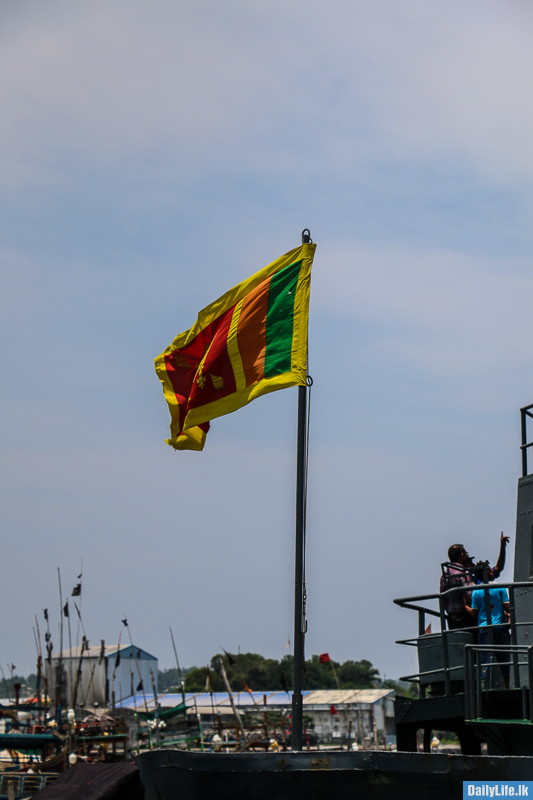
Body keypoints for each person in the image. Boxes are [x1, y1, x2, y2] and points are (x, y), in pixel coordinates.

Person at [440, 534, 510, 629]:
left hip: (452, 618)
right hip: (469, 619)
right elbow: (470, 598)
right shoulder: (465, 574)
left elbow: (498, 568)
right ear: (462, 556)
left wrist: (502, 547)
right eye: (469, 558)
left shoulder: (445, 575)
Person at [465, 570, 511, 689]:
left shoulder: (476, 592)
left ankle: (488, 687)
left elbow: (474, 613)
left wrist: (465, 605)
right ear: (489, 574)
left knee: (486, 658)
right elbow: (507, 606)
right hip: (500, 627)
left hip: (484, 629)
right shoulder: (500, 588)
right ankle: (507, 686)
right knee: (505, 659)